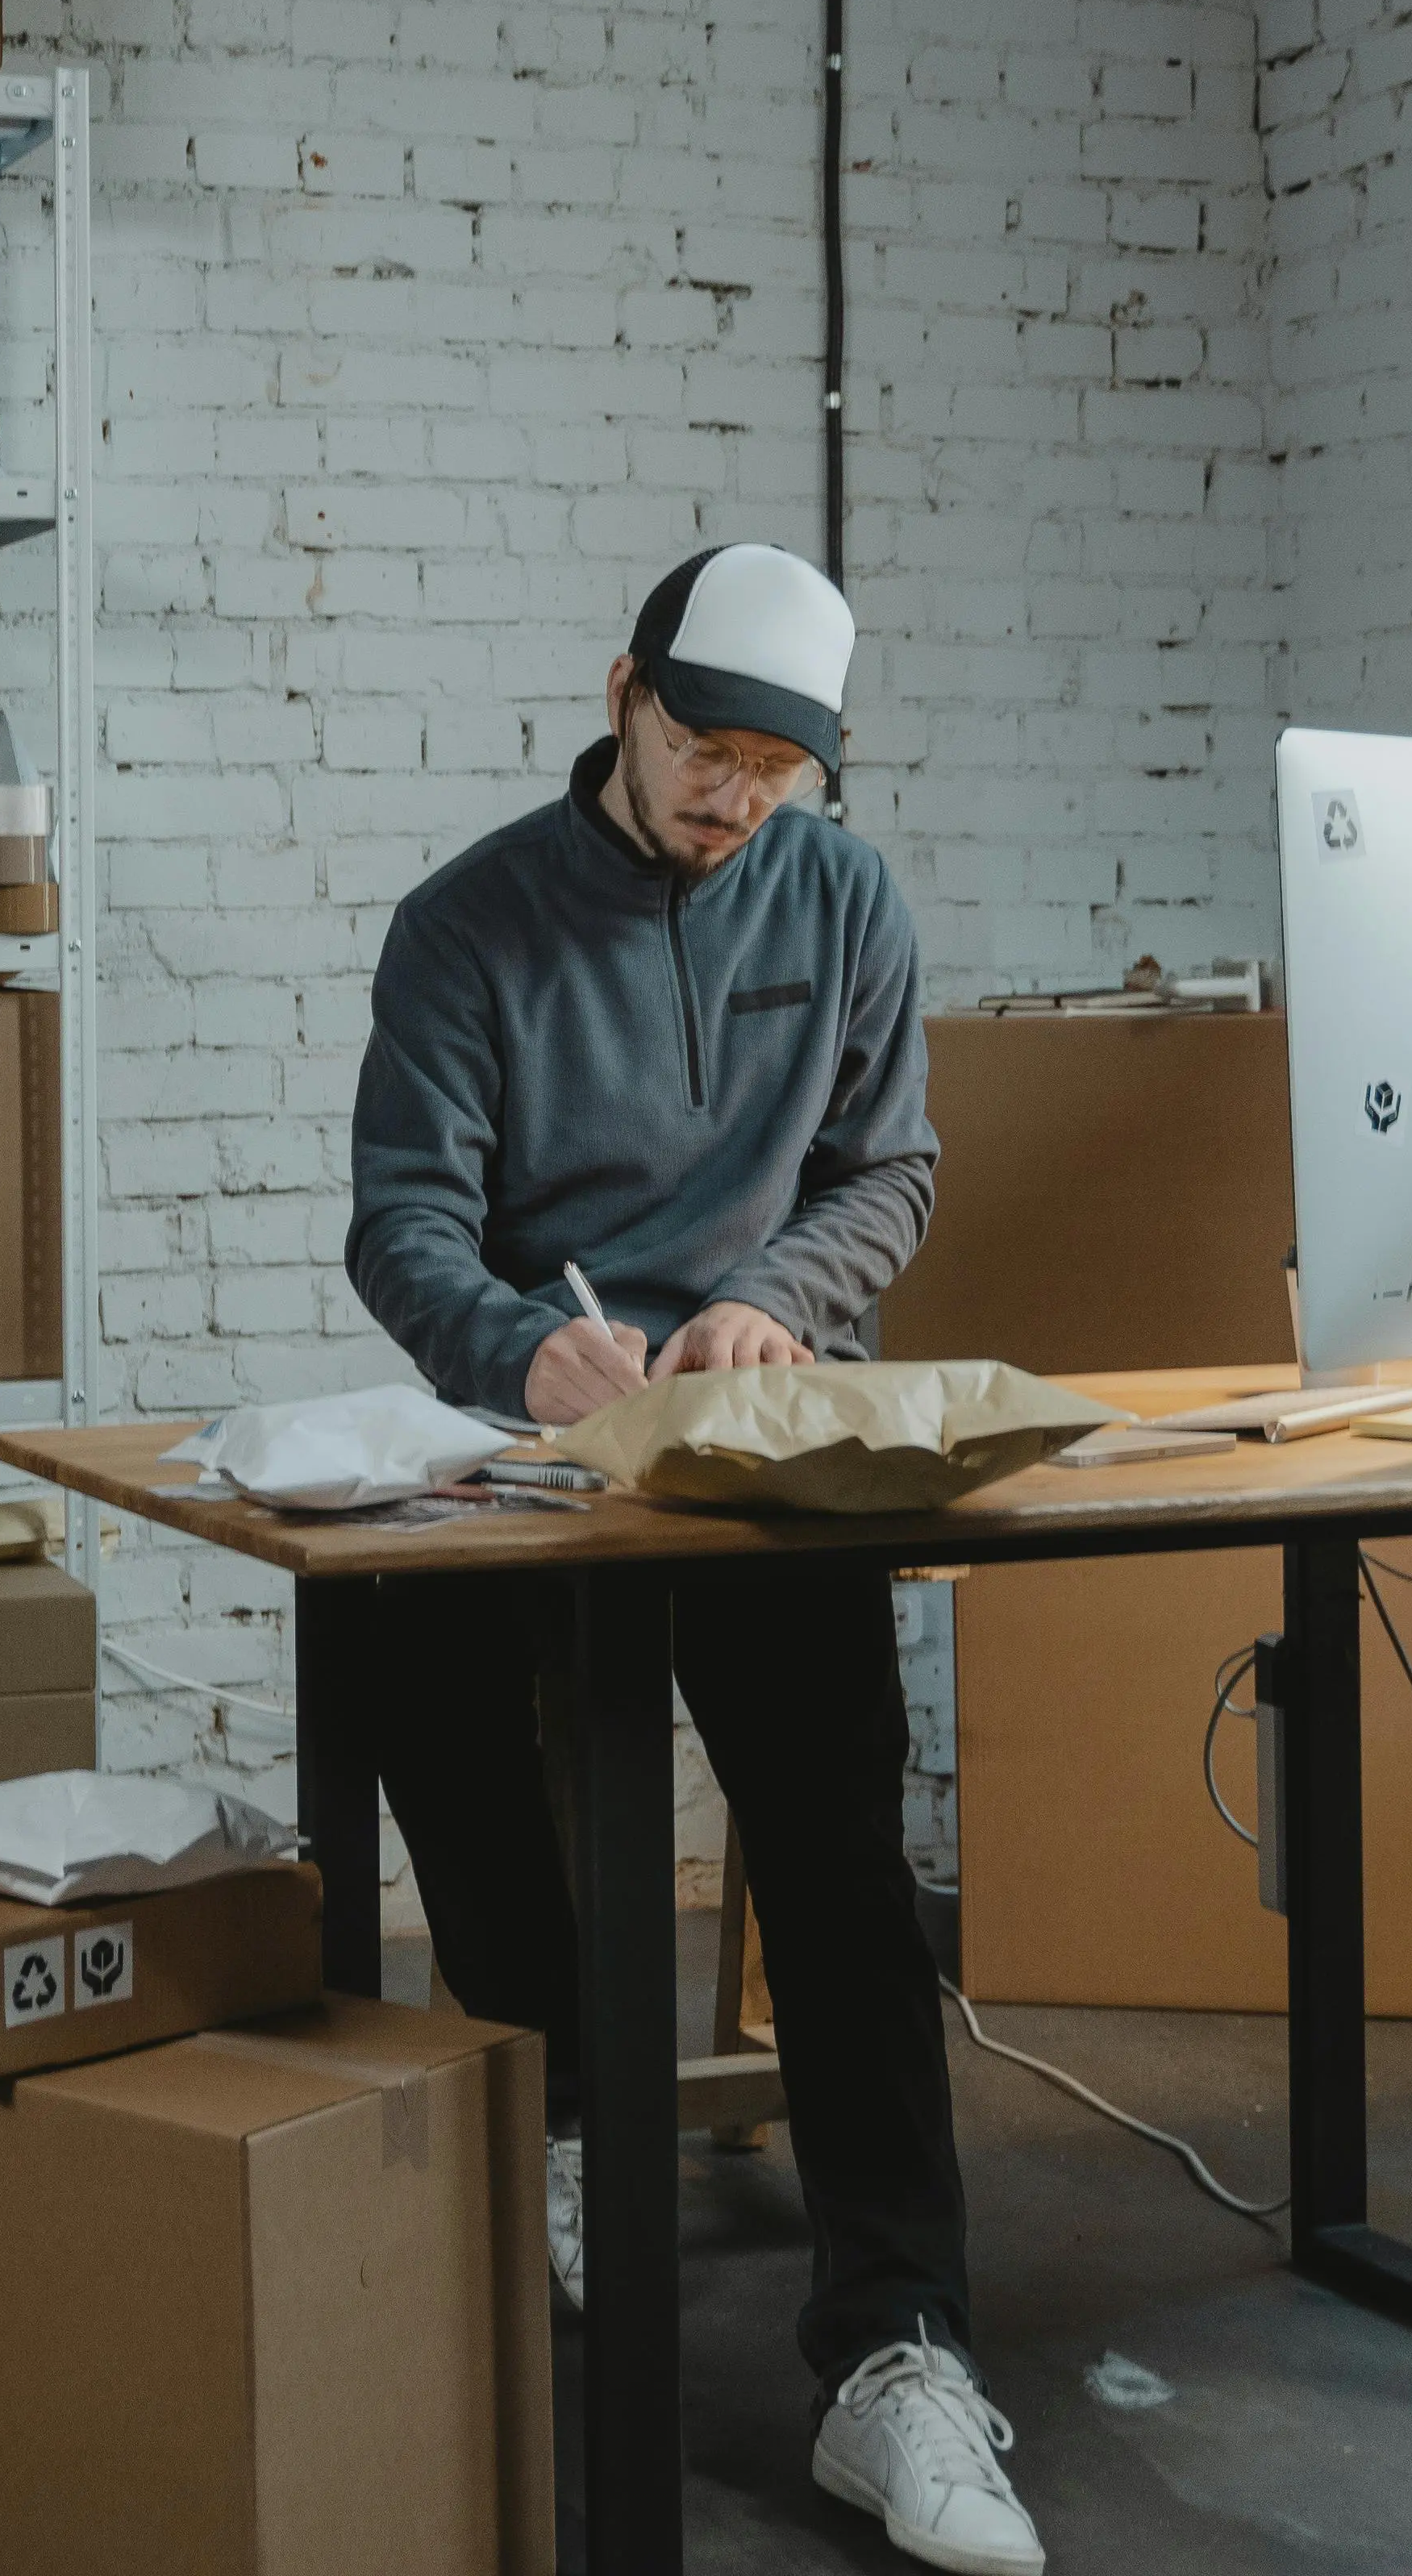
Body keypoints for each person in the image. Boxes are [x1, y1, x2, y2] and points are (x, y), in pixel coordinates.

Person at [343, 543, 1039, 2575]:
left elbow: (886, 1162)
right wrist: (520, 1347)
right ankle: (563, 2104)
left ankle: (899, 2346)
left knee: (835, 1822)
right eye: (706, 750)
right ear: (625, 689)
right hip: (536, 1431)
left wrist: (779, 1301)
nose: (735, 800)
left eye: (775, 771)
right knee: (414, 1672)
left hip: (752, 1426)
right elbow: (405, 1220)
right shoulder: (467, 924)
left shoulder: (846, 898)